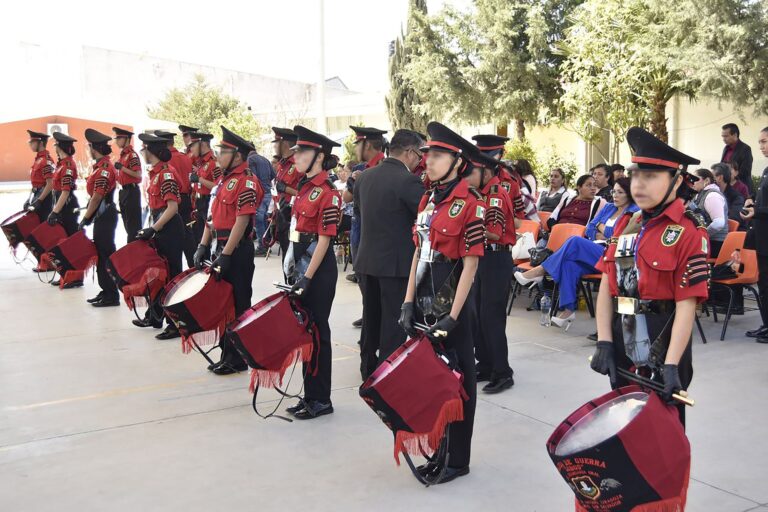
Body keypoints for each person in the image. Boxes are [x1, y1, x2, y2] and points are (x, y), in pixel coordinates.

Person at [590, 126, 709, 428]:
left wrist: (670, 365)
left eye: (651, 176)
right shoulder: (627, 224)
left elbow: (686, 304)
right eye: (636, 176)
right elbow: (607, 284)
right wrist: (604, 341)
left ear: (677, 180)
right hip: (622, 336)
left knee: (662, 435)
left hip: (664, 337)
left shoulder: (689, 231)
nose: (639, 185)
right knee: (625, 429)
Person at [399, 122, 484, 483]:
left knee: (459, 381)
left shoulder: (471, 204)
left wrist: (453, 315)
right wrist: (407, 302)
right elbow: (418, 254)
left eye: (436, 155)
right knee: (433, 378)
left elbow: (471, 263)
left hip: (454, 307)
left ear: (457, 162)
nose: (427, 161)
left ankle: (457, 457)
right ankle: (439, 446)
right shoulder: (427, 200)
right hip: (424, 300)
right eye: (427, 155)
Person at [516, 178, 638, 329]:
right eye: (614, 191)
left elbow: (616, 235)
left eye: (620, 192)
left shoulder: (634, 212)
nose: (615, 195)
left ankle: (541, 270)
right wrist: (602, 232)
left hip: (613, 256)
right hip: (596, 251)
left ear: (630, 194)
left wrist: (602, 228)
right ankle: (568, 310)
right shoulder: (609, 208)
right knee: (569, 264)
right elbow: (590, 228)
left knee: (575, 241)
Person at [354, 129, 425, 380]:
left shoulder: (364, 177)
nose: (421, 160)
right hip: (395, 264)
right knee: (393, 323)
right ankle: (388, 375)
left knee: (370, 318)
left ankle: (367, 368)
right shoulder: (409, 181)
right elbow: (424, 217)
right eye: (420, 154)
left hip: (367, 259)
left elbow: (360, 213)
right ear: (408, 152)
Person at [283, 125, 342, 420]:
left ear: (319, 156)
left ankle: (321, 399)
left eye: (302, 152)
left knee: (318, 331)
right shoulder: (305, 188)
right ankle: (309, 394)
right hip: (301, 265)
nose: (296, 157)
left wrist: (308, 277)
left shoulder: (328, 193)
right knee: (305, 330)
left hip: (317, 269)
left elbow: (324, 239)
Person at [194, 126, 262, 375]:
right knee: (223, 304)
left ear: (238, 156)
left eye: (224, 152)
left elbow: (242, 222)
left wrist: (227, 254)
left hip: (237, 249)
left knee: (239, 303)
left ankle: (239, 358)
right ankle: (227, 354)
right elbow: (211, 217)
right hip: (219, 246)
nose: (218, 155)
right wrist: (203, 245)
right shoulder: (223, 181)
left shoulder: (247, 182)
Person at [465, 146, 518, 394]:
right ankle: (485, 364)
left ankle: (502, 371)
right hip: (483, 258)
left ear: (485, 171)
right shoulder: (480, 193)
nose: (466, 175)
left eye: (471, 171)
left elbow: (495, 233)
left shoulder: (495, 195)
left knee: (491, 318)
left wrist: (466, 226)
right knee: (477, 316)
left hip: (496, 259)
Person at [132, 133, 185, 340]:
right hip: (160, 224)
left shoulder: (166, 174)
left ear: (151, 151)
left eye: (144, 149)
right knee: (157, 274)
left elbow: (172, 208)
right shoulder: (156, 173)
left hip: (169, 228)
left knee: (171, 276)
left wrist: (154, 228)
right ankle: (154, 316)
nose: (142, 153)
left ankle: (174, 324)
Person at [344, 126, 388, 326]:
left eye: (358, 144)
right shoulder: (358, 169)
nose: (355, 149)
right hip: (357, 224)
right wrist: (355, 183)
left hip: (375, 226)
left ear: (367, 145)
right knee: (361, 274)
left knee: (377, 277)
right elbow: (346, 197)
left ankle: (378, 317)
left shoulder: (385, 166)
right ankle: (368, 313)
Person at [79, 129, 119, 307]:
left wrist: (86, 218)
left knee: (105, 254)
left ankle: (112, 294)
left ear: (95, 149)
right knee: (101, 255)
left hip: (104, 215)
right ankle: (106, 290)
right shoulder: (100, 167)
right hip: (102, 215)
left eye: (89, 148)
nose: (88, 151)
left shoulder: (104, 169)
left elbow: (97, 197)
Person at [741, 127, 768, 342]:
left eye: (765, 141)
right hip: (762, 236)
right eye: (760, 142)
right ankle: (766, 324)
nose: (762, 147)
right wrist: (753, 204)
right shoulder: (767, 170)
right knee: (764, 284)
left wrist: (757, 210)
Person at [48, 132, 83, 288]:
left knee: (70, 243)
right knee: (62, 243)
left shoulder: (68, 165)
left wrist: (55, 211)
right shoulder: (61, 164)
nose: (54, 147)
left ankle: (75, 277)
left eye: (55, 145)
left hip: (67, 206)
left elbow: (65, 191)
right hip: (61, 204)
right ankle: (66, 274)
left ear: (59, 146)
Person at [155, 130, 195, 267]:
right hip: (186, 198)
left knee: (171, 240)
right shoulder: (185, 157)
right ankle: (193, 266)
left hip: (171, 200)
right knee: (188, 236)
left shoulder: (165, 162)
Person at [272, 127, 300, 269]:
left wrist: (286, 189)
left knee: (293, 259)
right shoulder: (282, 165)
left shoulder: (298, 164)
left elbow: (307, 194)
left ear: (284, 144)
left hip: (294, 218)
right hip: (282, 215)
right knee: (285, 257)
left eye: (276, 142)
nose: (274, 146)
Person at [188, 132, 220, 245]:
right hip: (199, 202)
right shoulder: (201, 163)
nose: (191, 148)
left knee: (207, 240)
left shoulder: (213, 162)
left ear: (202, 144)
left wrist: (200, 179)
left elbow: (218, 187)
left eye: (193, 144)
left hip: (208, 202)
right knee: (198, 237)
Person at [112, 127, 142, 243]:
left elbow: (138, 175)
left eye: (119, 138)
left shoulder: (132, 155)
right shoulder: (123, 155)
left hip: (131, 191)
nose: (117, 141)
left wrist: (122, 168)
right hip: (123, 191)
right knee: (127, 225)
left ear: (127, 139)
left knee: (133, 228)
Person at [690, 168, 728, 258]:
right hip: (708, 241)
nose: (692, 182)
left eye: (695, 179)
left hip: (715, 243)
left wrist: (702, 235)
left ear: (706, 180)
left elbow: (719, 223)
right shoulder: (699, 194)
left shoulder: (712, 196)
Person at [247, 148, 275, 256]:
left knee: (258, 219)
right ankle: (265, 243)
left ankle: (262, 246)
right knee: (263, 219)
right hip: (267, 191)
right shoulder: (265, 160)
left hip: (259, 193)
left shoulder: (250, 160)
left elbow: (252, 177)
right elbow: (273, 174)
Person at [25, 130, 54, 225]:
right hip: (37, 195)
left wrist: (39, 201)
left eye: (32, 142)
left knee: (42, 227)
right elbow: (36, 183)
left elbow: (50, 184)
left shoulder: (46, 160)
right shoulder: (38, 159)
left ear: (40, 143)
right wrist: (29, 199)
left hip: (44, 197)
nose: (30, 145)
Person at [721, 122, 754, 195]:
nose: (723, 139)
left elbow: (745, 171)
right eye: (722, 136)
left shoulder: (745, 149)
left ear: (735, 135)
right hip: (727, 189)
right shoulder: (726, 148)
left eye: (726, 136)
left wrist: (729, 179)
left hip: (741, 189)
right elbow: (721, 167)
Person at [712, 163, 745, 229]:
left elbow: (733, 219)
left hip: (728, 234)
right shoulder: (712, 193)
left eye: (712, 177)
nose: (710, 180)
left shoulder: (737, 197)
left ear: (720, 178)